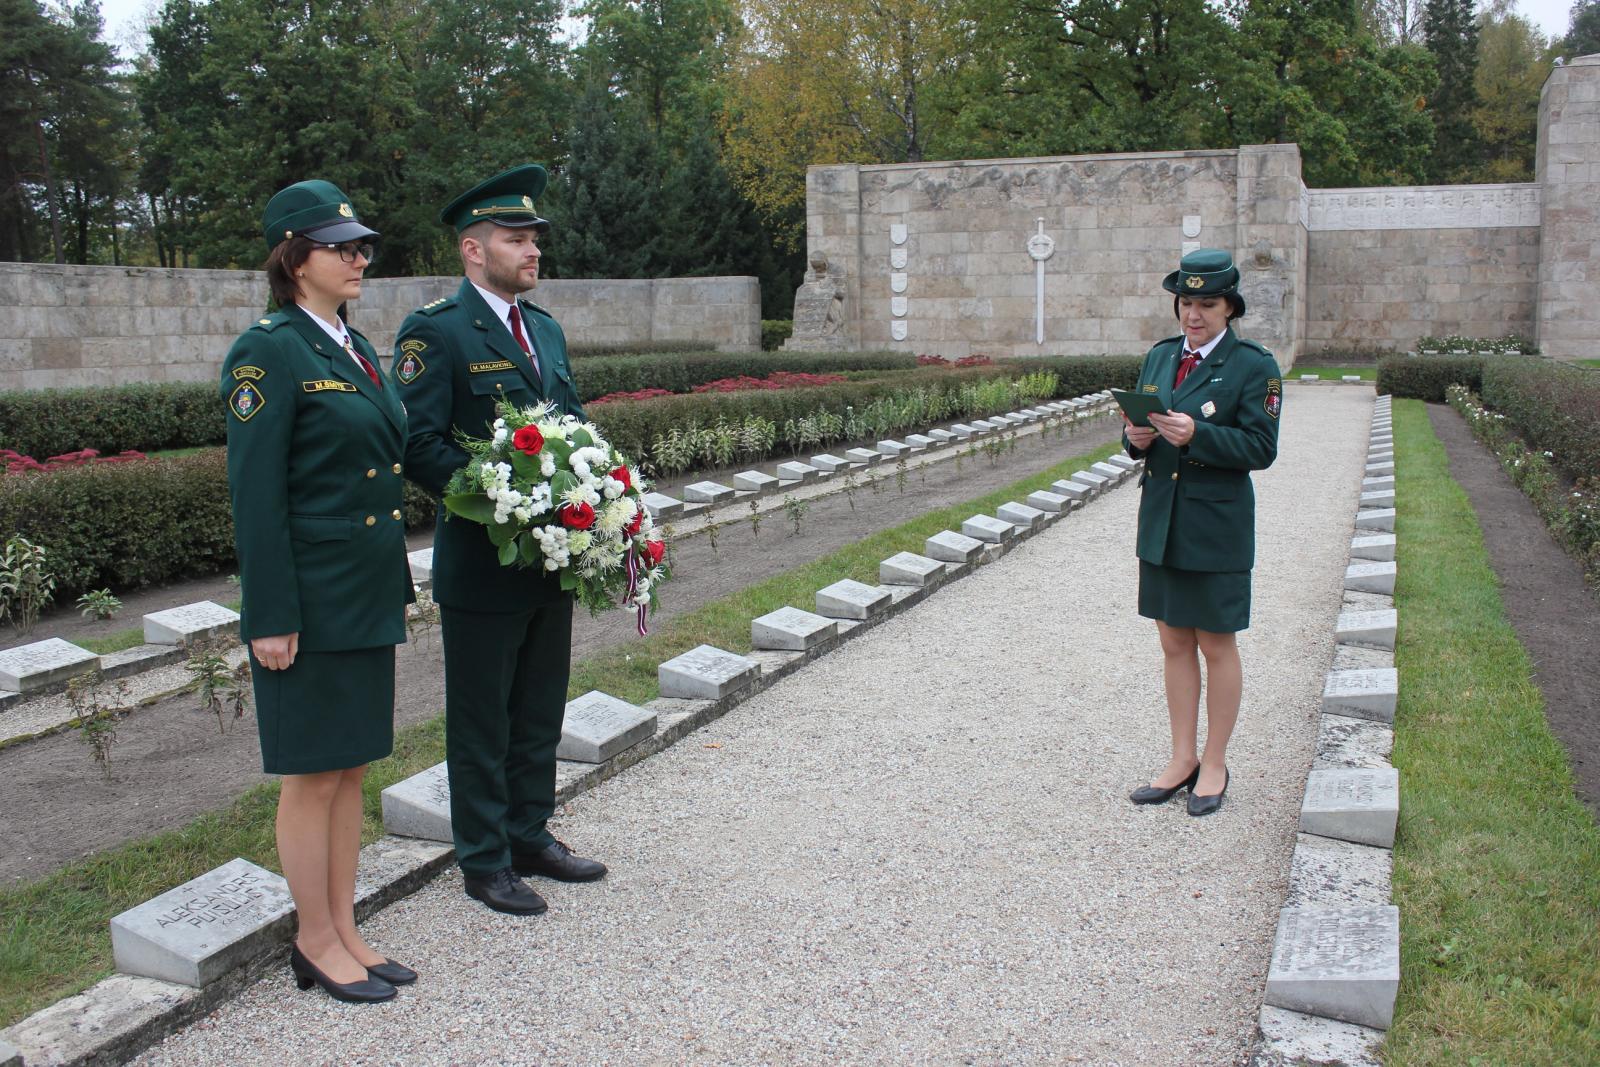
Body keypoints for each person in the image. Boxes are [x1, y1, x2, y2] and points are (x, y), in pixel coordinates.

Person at [393, 164, 605, 916]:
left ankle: (529, 834)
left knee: (540, 707)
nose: (533, 250)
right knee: (483, 717)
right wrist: (505, 498)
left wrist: (599, 491)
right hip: (486, 560)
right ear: (473, 251)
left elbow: (571, 425)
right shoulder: (437, 331)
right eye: (517, 239)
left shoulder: (543, 328)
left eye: (536, 239)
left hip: (553, 558)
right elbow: (418, 444)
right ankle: (484, 859)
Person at [222, 180, 416, 1001]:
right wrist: (267, 612)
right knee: (312, 773)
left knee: (351, 768)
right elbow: (255, 493)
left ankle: (345, 925)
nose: (358, 257)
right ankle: (313, 938)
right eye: (342, 246)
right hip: (308, 598)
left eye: (362, 245)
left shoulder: (356, 346)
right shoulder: (268, 350)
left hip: (366, 587)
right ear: (294, 257)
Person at [1121, 248, 1282, 817]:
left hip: (1215, 525)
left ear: (1230, 307)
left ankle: (1214, 762)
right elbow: (1143, 429)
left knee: (1216, 644)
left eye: (1207, 304)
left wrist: (1200, 436)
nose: (1194, 314)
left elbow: (1262, 448)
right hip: (1163, 519)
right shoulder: (1162, 357)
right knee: (1172, 642)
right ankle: (1181, 758)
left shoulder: (1253, 365)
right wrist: (1136, 440)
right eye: (1186, 302)